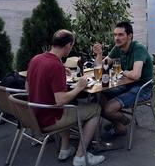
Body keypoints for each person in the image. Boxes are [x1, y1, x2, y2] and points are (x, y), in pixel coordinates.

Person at [26, 30, 105, 166]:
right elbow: (60, 100)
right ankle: (81, 156)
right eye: (72, 46)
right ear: (68, 45)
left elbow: (27, 87)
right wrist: (79, 87)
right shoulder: (55, 66)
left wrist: (60, 69)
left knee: (71, 103)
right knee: (96, 109)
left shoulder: (36, 59)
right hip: (50, 118)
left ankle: (65, 148)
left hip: (33, 114)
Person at [93, 22, 153, 137]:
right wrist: (99, 54)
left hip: (142, 88)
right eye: (115, 35)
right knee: (98, 99)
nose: (117, 38)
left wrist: (123, 72)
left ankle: (124, 121)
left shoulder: (138, 48)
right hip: (126, 85)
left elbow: (136, 75)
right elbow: (103, 67)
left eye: (120, 35)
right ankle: (120, 125)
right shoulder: (117, 48)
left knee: (108, 109)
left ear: (130, 36)